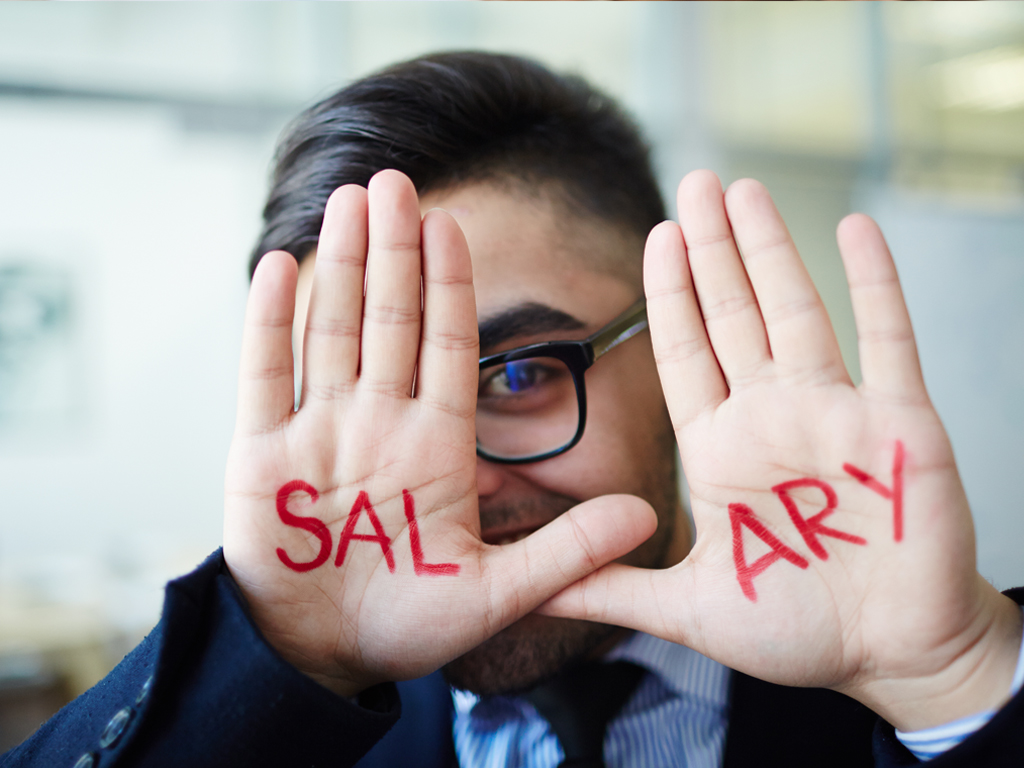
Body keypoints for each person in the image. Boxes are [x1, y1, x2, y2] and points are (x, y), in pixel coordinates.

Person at [4, 51, 1023, 768]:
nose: (449, 481)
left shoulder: (897, 682)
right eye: (383, 402)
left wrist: (955, 683)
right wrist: (282, 648)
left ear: (680, 354)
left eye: (518, 374)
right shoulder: (278, 724)